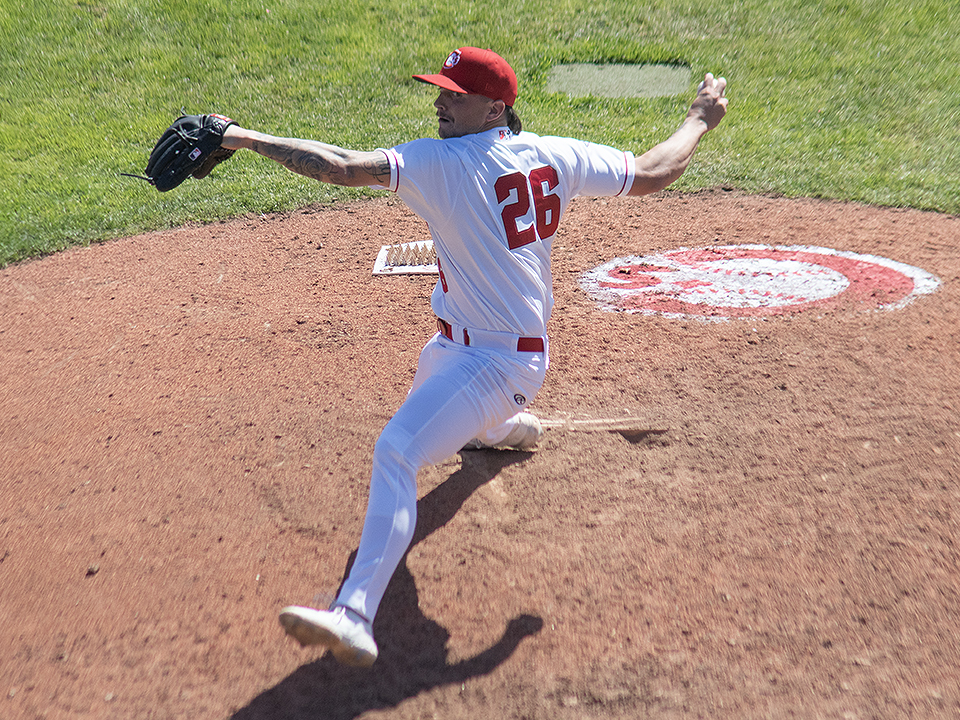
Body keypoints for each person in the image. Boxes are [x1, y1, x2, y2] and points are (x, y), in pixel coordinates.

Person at [219, 47, 728, 668]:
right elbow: (652, 170)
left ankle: (353, 617)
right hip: (468, 350)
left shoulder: (443, 161)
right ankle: (500, 429)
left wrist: (242, 137)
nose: (439, 101)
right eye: (439, 90)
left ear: (494, 107)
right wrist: (700, 118)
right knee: (440, 369)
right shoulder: (552, 152)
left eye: (454, 95)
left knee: (398, 449)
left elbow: (343, 168)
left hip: (497, 363)